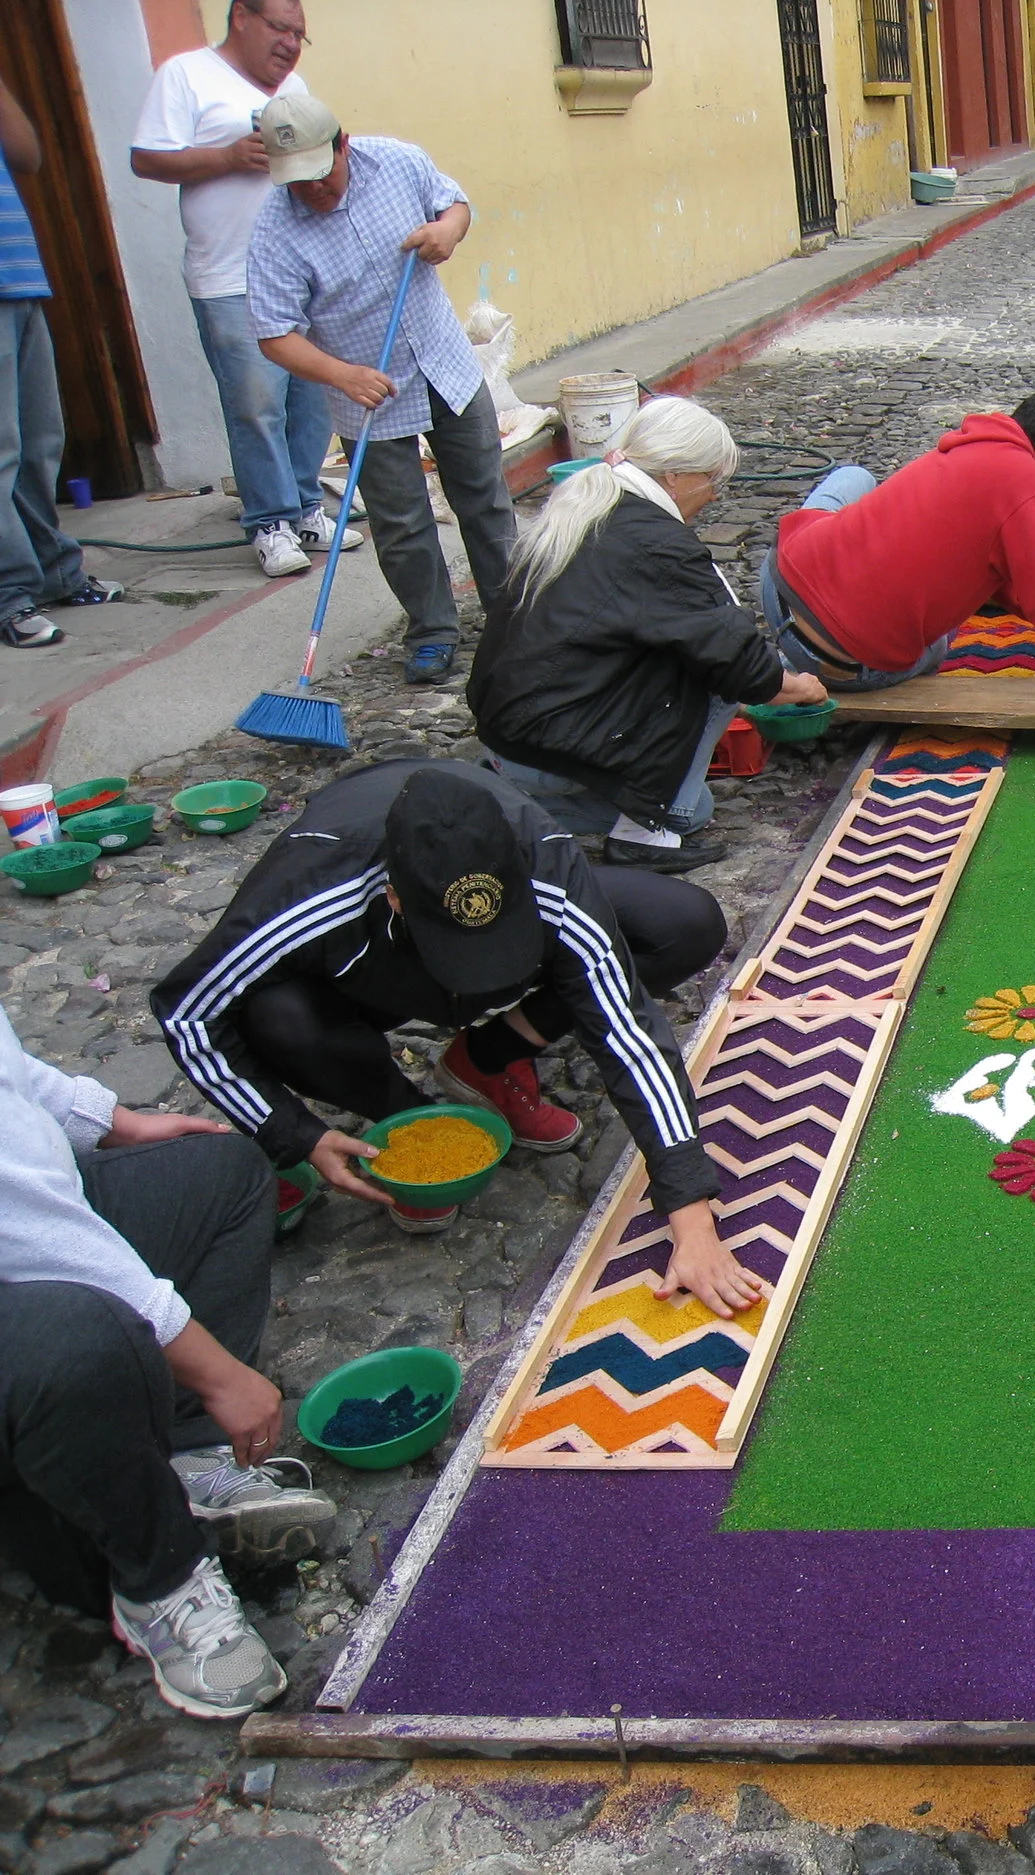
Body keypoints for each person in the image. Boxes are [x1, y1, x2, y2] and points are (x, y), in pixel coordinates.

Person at [152, 760, 749, 1319]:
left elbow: (628, 1030)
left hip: (491, 931)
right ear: (393, 898)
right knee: (274, 1016)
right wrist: (293, 1133)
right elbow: (187, 1012)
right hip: (361, 990)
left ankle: (488, 1057)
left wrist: (689, 1213)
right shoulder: (307, 890)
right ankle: (410, 1123)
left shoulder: (548, 866)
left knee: (683, 923)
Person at [0, 1001, 338, 1719]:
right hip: (23, 1251)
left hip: (29, 1213)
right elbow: (37, 1235)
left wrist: (111, 1121)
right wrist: (217, 1371)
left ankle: (186, 1460)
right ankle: (159, 1578)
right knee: (85, 1339)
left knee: (225, 1172)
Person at [469, 398, 828, 876]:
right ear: (675, 476)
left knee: (695, 804)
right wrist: (800, 687)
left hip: (509, 735)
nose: (716, 495)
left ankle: (510, 804)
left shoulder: (587, 502)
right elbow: (736, 660)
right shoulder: (658, 544)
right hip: (551, 747)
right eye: (713, 481)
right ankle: (642, 839)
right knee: (690, 792)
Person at [249, 94, 513, 686]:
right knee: (401, 523)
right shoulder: (274, 232)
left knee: (484, 498)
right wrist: (342, 374)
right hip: (365, 390)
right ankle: (432, 631)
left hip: (444, 363)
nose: (312, 191)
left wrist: (449, 230)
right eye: (297, 183)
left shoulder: (396, 161)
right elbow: (274, 333)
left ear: (342, 144)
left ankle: (513, 617)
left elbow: (455, 204)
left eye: (321, 175)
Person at [757, 389, 1035, 703]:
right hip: (849, 664)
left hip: (780, 584)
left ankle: (780, 656)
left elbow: (1010, 579)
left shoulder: (973, 444)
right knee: (936, 643)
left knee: (852, 479)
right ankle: (793, 667)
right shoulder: (1024, 485)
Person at [130, 0, 366, 582]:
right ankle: (269, 522)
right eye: (281, 29)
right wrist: (227, 156)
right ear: (241, 17)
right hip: (228, 275)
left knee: (310, 400)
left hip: (299, 273)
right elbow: (146, 158)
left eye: (299, 37)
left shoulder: (296, 86)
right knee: (256, 405)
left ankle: (308, 506)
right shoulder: (186, 75)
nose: (290, 45)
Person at [0, 77, 125, 650]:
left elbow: (26, 154)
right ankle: (10, 597)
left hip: (19, 277)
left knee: (39, 443)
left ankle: (56, 572)